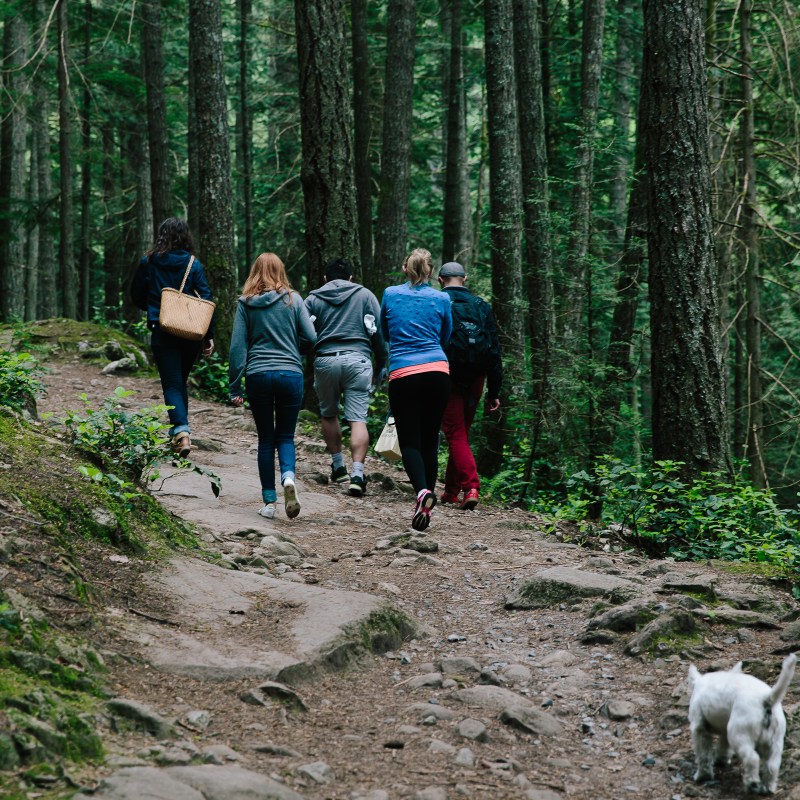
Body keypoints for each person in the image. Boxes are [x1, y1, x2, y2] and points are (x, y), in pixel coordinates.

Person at [229, 253, 317, 520]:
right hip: (290, 373)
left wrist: (235, 387)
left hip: (258, 375)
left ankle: (269, 502)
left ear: (254, 272)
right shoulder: (294, 299)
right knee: (286, 436)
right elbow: (312, 337)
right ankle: (288, 478)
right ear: (281, 271)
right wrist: (294, 350)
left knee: (267, 438)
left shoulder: (246, 303)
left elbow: (237, 348)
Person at [380, 248, 452, 531]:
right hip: (437, 372)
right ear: (431, 272)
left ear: (404, 269)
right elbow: (445, 335)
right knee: (429, 440)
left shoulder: (390, 293)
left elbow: (385, 333)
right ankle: (426, 508)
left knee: (409, 441)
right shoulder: (442, 297)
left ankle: (421, 492)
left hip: (403, 374)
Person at [131, 217, 214, 458]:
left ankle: (181, 432)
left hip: (162, 330)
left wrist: (154, 307)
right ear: (186, 236)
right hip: (190, 333)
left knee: (172, 383)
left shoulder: (149, 261)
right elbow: (206, 299)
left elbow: (136, 295)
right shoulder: (193, 264)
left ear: (161, 235)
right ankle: (179, 435)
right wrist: (208, 335)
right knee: (179, 382)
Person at [305, 258, 386, 497]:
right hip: (358, 360)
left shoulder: (313, 299)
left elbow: (306, 335)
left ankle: (338, 466)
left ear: (325, 279)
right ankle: (358, 474)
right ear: (351, 277)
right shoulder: (365, 296)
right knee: (358, 419)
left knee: (329, 414)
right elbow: (378, 333)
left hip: (326, 359)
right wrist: (381, 363)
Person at [437, 261, 502, 511]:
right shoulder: (481, 306)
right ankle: (452, 491)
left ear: (441, 280)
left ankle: (470, 486)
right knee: (461, 431)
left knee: (455, 433)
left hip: (448, 374)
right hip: (477, 378)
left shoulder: (439, 302)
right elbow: (494, 350)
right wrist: (494, 390)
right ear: (464, 278)